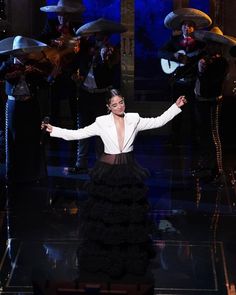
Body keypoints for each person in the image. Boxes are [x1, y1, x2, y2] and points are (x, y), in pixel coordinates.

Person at [42, 89, 187, 283]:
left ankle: (126, 256)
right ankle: (106, 255)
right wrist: (55, 130)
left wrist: (175, 107)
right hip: (107, 172)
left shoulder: (134, 119)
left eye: (122, 102)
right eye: (115, 104)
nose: (120, 106)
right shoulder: (101, 122)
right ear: (108, 107)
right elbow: (79, 134)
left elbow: (158, 121)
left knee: (128, 215)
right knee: (106, 215)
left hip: (128, 171)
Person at [65, 18, 127, 174]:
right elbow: (74, 65)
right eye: (98, 35)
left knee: (102, 133)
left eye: (104, 36)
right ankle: (81, 164)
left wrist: (105, 56)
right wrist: (75, 76)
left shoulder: (112, 51)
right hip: (86, 94)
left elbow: (112, 70)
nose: (101, 38)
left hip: (101, 96)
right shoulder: (86, 50)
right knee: (83, 130)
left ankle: (103, 165)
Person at [0, 36, 52, 184]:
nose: (23, 55)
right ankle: (13, 173)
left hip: (30, 104)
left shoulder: (32, 65)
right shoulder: (7, 64)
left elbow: (43, 83)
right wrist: (12, 74)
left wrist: (50, 76)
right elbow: (2, 74)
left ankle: (33, 173)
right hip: (14, 105)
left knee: (32, 137)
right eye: (20, 52)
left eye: (24, 52)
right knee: (13, 137)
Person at [158, 8, 212, 145]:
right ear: (181, 27)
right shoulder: (174, 41)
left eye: (190, 25)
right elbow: (160, 53)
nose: (186, 28)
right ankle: (174, 138)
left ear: (194, 28)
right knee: (176, 110)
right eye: (184, 25)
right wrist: (173, 56)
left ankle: (194, 139)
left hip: (192, 83)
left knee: (194, 112)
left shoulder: (200, 44)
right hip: (178, 82)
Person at [192, 27, 234, 182]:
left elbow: (211, 82)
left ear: (219, 47)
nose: (210, 47)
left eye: (214, 45)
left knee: (213, 136)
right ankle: (206, 167)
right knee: (203, 136)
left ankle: (217, 170)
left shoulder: (222, 63)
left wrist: (202, 71)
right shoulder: (203, 58)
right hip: (201, 100)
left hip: (212, 102)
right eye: (209, 44)